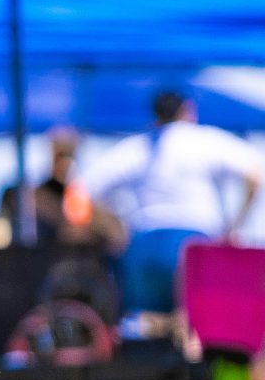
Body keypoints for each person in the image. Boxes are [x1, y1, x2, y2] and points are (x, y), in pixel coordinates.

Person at [80, 90, 265, 313]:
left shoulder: (138, 146)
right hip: (195, 243)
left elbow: (80, 190)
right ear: (187, 110)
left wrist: (112, 230)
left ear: (155, 115)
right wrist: (235, 226)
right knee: (195, 320)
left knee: (144, 322)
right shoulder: (205, 140)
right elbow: (255, 174)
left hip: (144, 245)